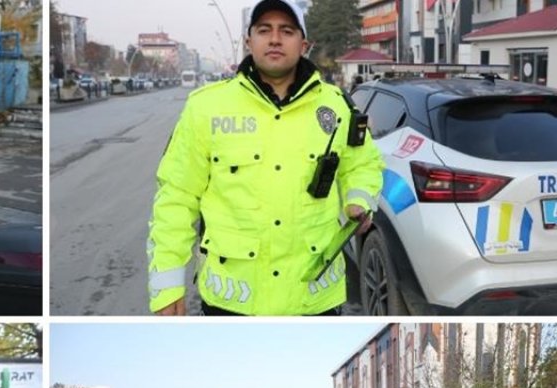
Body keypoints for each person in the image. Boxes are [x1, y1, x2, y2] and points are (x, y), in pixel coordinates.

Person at [147, 0, 384, 316]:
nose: (274, 39)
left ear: (304, 45)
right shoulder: (205, 108)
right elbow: (176, 197)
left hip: (314, 297)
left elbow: (362, 162)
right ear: (249, 42)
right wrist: (167, 287)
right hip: (233, 300)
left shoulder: (337, 106)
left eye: (286, 31)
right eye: (264, 30)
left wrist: (359, 198)